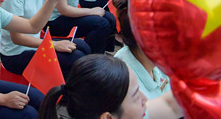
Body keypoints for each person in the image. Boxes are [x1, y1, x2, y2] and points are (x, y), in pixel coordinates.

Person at [38, 55, 183, 119]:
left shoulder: (130, 114)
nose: (145, 98)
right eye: (136, 95)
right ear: (108, 117)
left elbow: (169, 105)